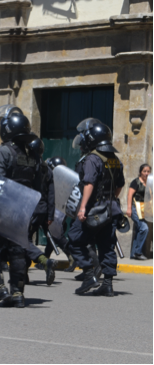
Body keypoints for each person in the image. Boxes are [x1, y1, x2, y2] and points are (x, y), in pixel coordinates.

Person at [0, 108, 40, 308]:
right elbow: (37, 184)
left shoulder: (4, 151)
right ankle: (18, 294)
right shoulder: (31, 155)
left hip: (4, 209)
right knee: (18, 250)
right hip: (24, 211)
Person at [69, 119, 125, 297]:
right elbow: (119, 185)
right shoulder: (114, 159)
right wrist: (111, 201)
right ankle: (107, 285)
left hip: (93, 209)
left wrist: (83, 207)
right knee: (106, 245)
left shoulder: (92, 158)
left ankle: (88, 275)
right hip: (111, 209)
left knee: (75, 238)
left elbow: (89, 183)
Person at [23, 138, 57, 285]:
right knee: (25, 239)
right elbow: (51, 194)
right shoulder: (46, 169)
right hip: (42, 210)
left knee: (23, 240)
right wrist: (49, 215)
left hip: (29, 209)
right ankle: (23, 275)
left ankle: (44, 261)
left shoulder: (28, 167)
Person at [126, 164, 151, 260]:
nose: (146, 173)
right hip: (135, 208)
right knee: (144, 228)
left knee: (139, 230)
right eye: (144, 171)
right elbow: (129, 195)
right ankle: (137, 252)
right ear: (140, 172)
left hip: (144, 209)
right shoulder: (136, 182)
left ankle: (133, 254)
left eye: (148, 171)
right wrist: (128, 209)